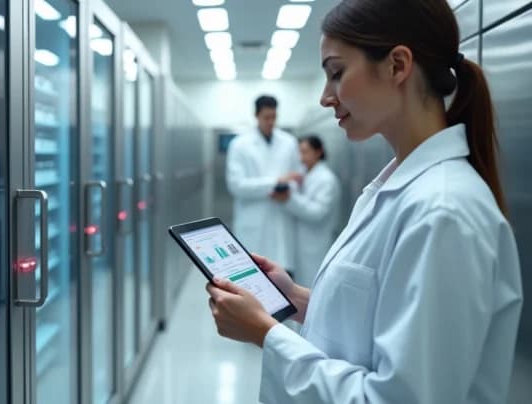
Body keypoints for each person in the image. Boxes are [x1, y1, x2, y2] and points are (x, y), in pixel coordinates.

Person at [205, 1, 523, 403]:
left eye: (337, 73)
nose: (325, 97)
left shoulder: (443, 213)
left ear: (397, 66)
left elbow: (398, 399)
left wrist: (265, 334)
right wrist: (297, 299)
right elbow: (378, 321)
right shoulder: (398, 189)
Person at [226, 95, 301, 270]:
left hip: (281, 217)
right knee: (252, 272)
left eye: (274, 117)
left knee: (281, 274)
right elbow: (236, 185)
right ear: (256, 115)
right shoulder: (240, 145)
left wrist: (287, 189)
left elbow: (296, 177)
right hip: (253, 220)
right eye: (266, 117)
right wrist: (275, 182)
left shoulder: (289, 142)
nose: (270, 122)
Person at [272, 136, 340, 286]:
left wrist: (289, 199)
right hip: (301, 244)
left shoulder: (326, 179)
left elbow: (318, 212)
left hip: (316, 244)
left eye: (305, 152)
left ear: (318, 152)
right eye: (299, 152)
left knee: (313, 285)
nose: (301, 157)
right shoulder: (304, 174)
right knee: (302, 285)